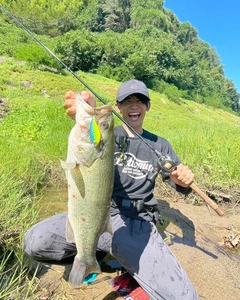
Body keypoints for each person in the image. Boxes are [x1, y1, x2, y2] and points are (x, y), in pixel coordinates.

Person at [24, 79, 199, 299]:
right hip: (100, 214)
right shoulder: (107, 137)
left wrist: (183, 179)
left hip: (137, 223)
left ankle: (124, 261)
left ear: (148, 106)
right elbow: (93, 130)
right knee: (35, 242)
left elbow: (178, 182)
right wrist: (86, 107)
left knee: (184, 297)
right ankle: (92, 255)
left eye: (140, 101)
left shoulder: (160, 145)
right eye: (127, 101)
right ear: (118, 107)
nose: (134, 105)